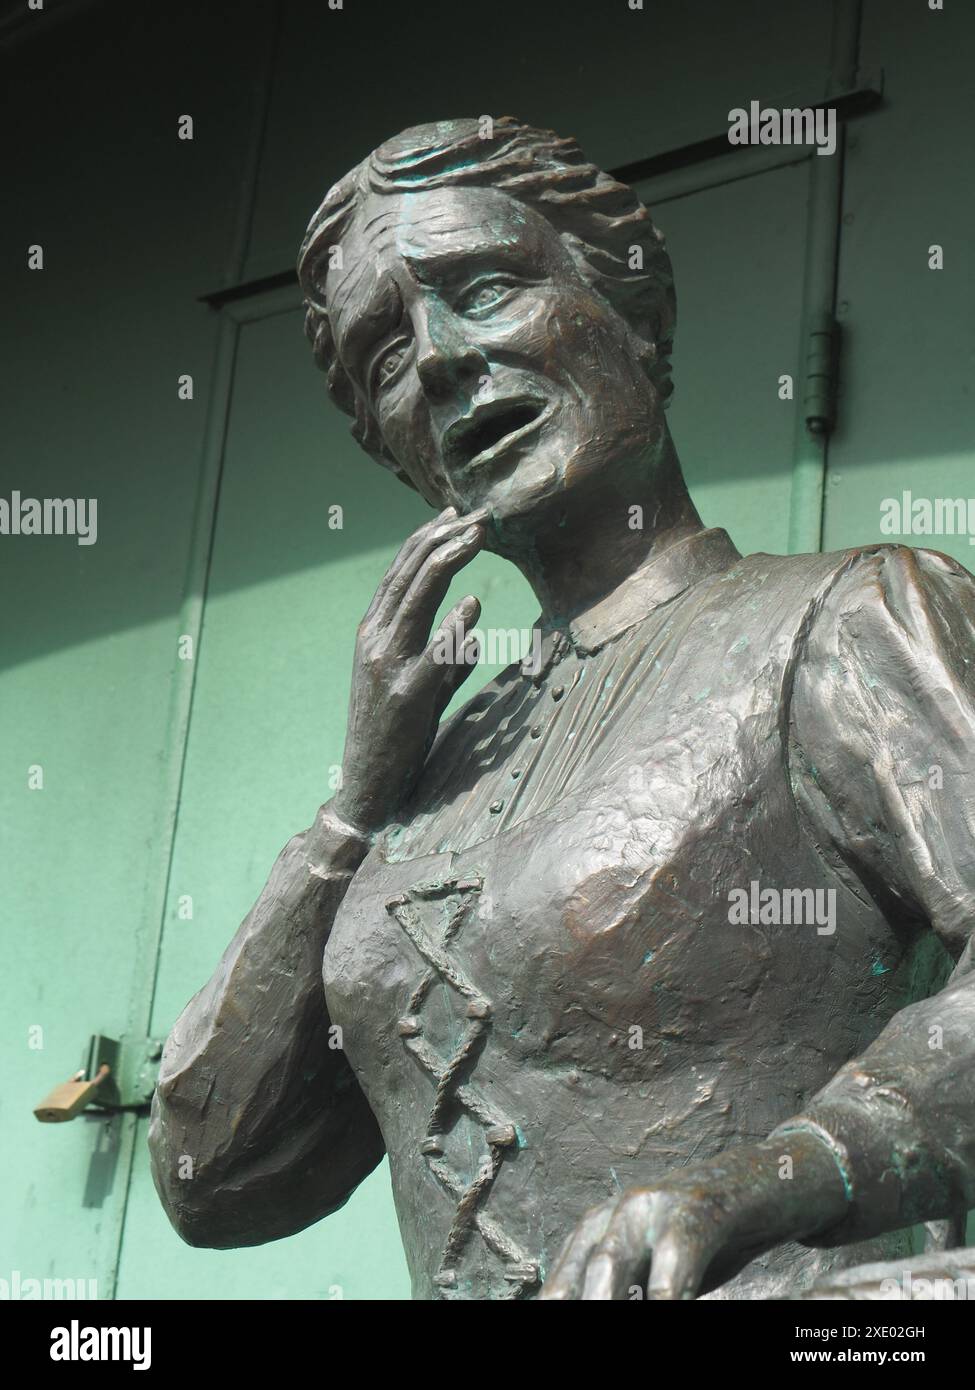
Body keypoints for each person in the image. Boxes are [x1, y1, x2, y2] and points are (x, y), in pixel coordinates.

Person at [149, 116, 975, 1300]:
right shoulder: (428, 776)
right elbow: (208, 1175)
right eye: (386, 355)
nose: (435, 360)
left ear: (634, 317)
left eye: (483, 287)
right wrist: (353, 807)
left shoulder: (843, 620)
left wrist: (772, 1178)